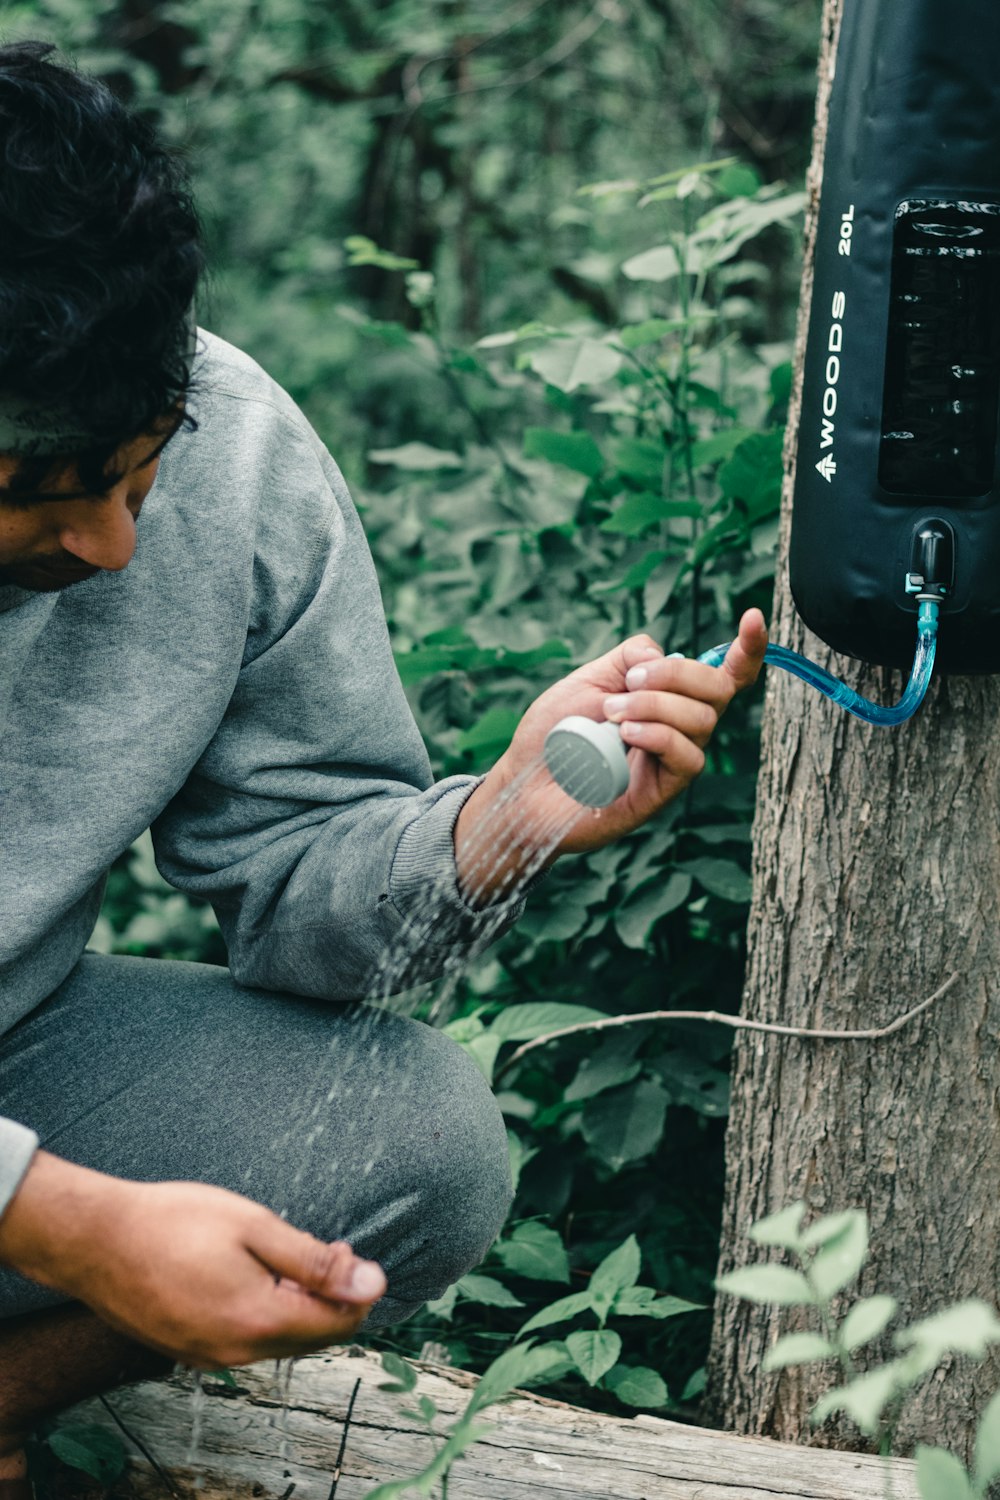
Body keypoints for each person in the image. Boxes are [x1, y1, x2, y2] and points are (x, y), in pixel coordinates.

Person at [0, 40, 768, 1491]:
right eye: (36, 492)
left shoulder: (233, 446)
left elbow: (296, 877)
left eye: (140, 468)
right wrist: (63, 1221)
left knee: (419, 1142)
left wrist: (491, 826)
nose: (111, 545)